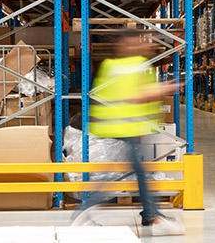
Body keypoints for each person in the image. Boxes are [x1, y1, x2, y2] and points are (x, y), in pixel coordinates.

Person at [71, 30, 184, 236]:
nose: (141, 46)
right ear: (125, 45)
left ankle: (151, 215)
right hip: (121, 128)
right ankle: (84, 212)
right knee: (125, 176)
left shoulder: (119, 65)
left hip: (124, 127)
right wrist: (164, 89)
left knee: (136, 174)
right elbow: (135, 95)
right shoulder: (129, 66)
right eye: (135, 43)